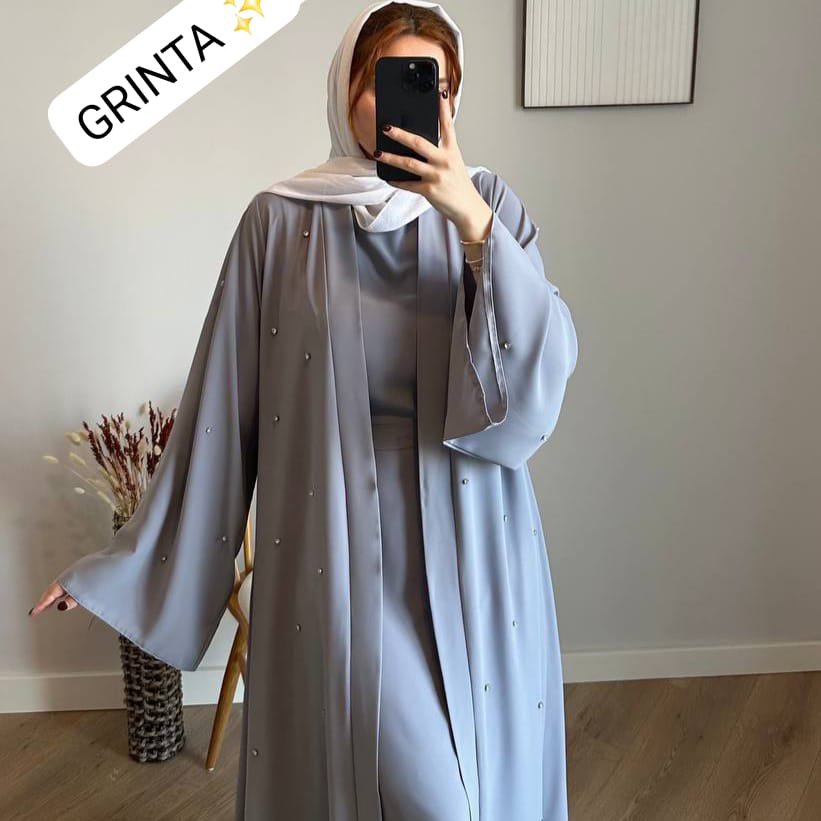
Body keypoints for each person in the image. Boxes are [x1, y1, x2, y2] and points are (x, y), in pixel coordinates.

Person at [31, 2, 579, 819]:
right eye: (390, 80)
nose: (417, 105)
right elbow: (223, 406)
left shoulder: (488, 204)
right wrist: (121, 565)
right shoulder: (279, 220)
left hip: (476, 542)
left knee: (478, 790)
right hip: (342, 553)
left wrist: (472, 223)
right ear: (346, 88)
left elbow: (538, 381)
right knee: (430, 798)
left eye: (436, 87)